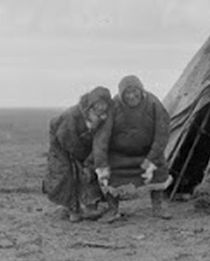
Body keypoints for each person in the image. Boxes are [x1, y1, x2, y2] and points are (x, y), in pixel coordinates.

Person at [93, 75, 172, 222]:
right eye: (127, 93)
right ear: (121, 94)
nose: (131, 96)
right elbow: (101, 138)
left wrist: (151, 159)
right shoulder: (113, 107)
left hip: (147, 153)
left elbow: (162, 133)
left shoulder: (153, 103)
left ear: (141, 91)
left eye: (135, 91)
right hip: (119, 155)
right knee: (108, 175)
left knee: (160, 168)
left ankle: (158, 206)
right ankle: (113, 209)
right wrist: (101, 165)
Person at [43, 86, 112, 222]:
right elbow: (65, 137)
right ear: (92, 102)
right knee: (67, 174)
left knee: (87, 173)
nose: (101, 107)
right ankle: (72, 208)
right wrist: (83, 158)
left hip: (81, 146)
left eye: (104, 104)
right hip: (62, 145)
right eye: (98, 103)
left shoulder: (103, 117)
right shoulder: (73, 115)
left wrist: (88, 160)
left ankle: (87, 206)